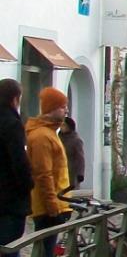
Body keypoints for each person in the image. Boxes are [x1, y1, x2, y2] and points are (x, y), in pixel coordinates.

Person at [26, 87, 72, 232]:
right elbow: (43, 174)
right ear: (52, 108)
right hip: (47, 208)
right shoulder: (42, 136)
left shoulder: (50, 133)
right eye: (63, 107)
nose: (66, 111)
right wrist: (53, 206)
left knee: (49, 251)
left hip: (57, 203)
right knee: (46, 252)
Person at [0, 79, 31, 257]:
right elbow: (19, 162)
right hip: (10, 202)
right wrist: (28, 184)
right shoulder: (12, 123)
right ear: (14, 99)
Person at [60, 116, 86, 190]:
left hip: (71, 172)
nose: (61, 127)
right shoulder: (58, 138)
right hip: (59, 171)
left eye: (64, 125)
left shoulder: (76, 140)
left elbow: (80, 158)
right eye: (61, 125)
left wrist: (80, 174)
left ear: (69, 127)